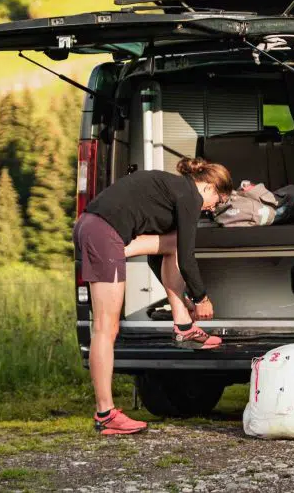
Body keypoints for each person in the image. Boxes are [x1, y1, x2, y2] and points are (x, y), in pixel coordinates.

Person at [72, 157, 233, 435]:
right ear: (209, 187)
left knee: (171, 244)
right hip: (103, 234)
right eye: (217, 201)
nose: (212, 209)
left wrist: (181, 300)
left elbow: (160, 255)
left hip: (94, 228)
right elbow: (188, 258)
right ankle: (105, 414)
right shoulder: (189, 196)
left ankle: (183, 326)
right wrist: (201, 298)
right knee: (105, 328)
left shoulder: (173, 189)